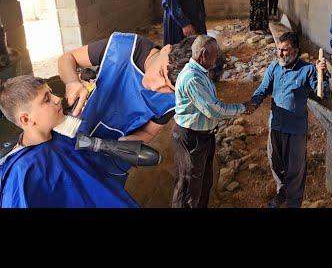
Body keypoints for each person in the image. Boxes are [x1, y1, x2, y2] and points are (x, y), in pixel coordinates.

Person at [0, 76, 138, 207]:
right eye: (46, 99)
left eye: (51, 93)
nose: (57, 99)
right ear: (26, 119)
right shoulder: (23, 173)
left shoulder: (64, 136)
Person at [57, 32, 195, 143]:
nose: (156, 86)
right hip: (72, 127)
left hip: (108, 156)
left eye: (169, 88)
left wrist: (125, 143)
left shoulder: (173, 100)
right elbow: (67, 58)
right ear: (166, 49)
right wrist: (72, 82)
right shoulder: (123, 47)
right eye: (161, 73)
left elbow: (148, 132)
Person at [172, 35, 255, 208]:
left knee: (203, 183)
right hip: (191, 138)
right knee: (189, 187)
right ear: (203, 54)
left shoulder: (201, 73)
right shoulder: (192, 78)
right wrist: (242, 108)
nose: (217, 59)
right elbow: (213, 109)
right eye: (214, 55)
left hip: (203, 137)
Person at [247, 31, 328, 208]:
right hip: (275, 125)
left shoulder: (307, 70)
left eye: (285, 50)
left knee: (295, 170)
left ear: (296, 51)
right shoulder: (274, 68)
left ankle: (294, 202)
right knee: (275, 163)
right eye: (279, 49)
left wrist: (323, 74)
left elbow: (322, 93)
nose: (280, 54)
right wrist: (253, 103)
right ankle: (282, 192)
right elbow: (262, 89)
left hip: (296, 130)